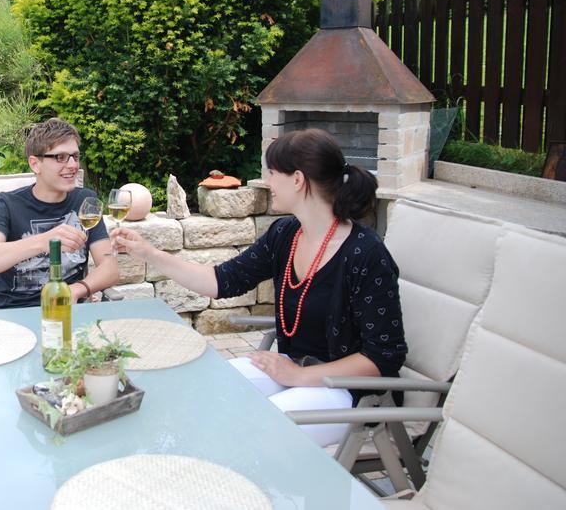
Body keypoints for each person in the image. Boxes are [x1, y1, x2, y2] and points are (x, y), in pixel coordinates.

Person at [111, 128, 407, 447]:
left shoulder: (365, 253)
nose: (266, 182)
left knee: (253, 430)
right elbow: (221, 281)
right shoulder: (286, 234)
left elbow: (385, 356)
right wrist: (149, 253)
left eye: (271, 173)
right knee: (205, 391)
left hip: (346, 391)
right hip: (290, 372)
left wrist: (300, 377)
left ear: (297, 179)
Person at [0, 118, 120, 310]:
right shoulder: (8, 204)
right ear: (35, 164)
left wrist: (77, 289)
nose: (73, 165)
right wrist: (45, 241)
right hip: (14, 312)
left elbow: (110, 268)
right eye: (60, 157)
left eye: (75, 156)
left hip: (68, 310)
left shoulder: (85, 201)